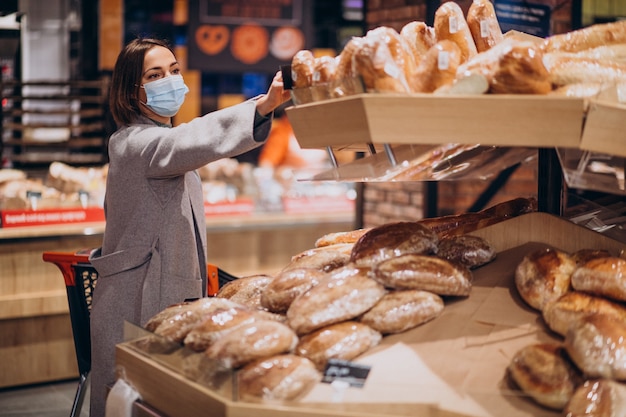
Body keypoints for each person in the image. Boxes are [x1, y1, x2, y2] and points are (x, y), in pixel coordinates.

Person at [87, 37, 290, 417]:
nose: (170, 80)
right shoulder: (134, 143)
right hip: (136, 303)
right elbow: (189, 140)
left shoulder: (156, 142)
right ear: (132, 92)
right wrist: (264, 106)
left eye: (174, 71)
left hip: (159, 295)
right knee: (132, 403)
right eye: (155, 74)